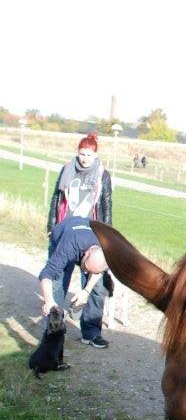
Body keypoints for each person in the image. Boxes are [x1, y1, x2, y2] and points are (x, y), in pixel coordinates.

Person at [47, 132, 112, 311]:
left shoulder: (103, 175)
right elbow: (56, 198)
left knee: (94, 285)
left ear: (96, 155)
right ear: (77, 152)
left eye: (89, 155)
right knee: (58, 281)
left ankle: (88, 325)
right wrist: (51, 227)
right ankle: (54, 322)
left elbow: (106, 204)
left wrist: (107, 236)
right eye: (82, 154)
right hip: (65, 232)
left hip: (91, 236)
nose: (84, 159)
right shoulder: (67, 170)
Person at [39, 217, 111, 349]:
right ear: (86, 253)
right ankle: (51, 337)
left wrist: (86, 290)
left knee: (98, 288)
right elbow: (47, 274)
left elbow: (99, 271)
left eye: (89, 271)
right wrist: (49, 301)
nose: (85, 272)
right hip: (64, 238)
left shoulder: (105, 245)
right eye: (85, 268)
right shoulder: (67, 247)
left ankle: (91, 334)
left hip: (86, 242)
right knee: (58, 285)